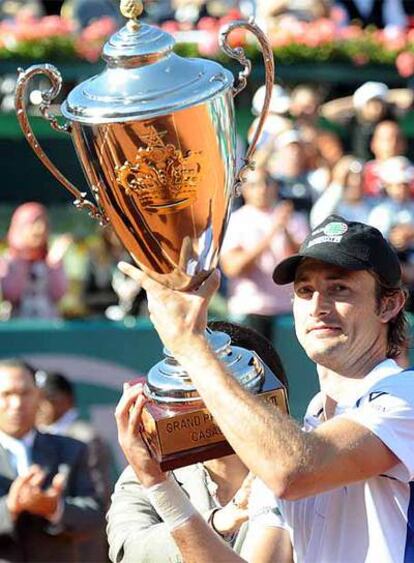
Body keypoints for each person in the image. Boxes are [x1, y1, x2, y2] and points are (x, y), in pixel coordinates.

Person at [116, 213, 413, 562]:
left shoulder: (404, 395)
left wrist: (189, 345)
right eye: (305, 291)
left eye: (339, 289)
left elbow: (293, 471)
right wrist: (157, 482)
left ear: (389, 304)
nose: (317, 306)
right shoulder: (303, 430)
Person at [107, 320, 287, 563]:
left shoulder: (294, 472)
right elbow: (130, 551)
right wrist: (218, 521)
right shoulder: (147, 473)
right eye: (189, 391)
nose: (210, 407)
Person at [0, 359, 104, 562]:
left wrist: (55, 508)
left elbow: (96, 515)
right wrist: (10, 506)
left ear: (39, 396)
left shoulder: (72, 449)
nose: (17, 404)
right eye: (6, 395)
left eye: (25, 393)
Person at [220, 167, 309, 340]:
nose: (262, 189)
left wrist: (285, 231)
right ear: (244, 190)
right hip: (250, 310)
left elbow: (305, 264)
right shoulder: (236, 221)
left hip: (288, 309)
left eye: (267, 183)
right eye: (254, 184)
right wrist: (271, 234)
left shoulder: (293, 218)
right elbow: (233, 268)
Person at [35, 370, 113, 561]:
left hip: (81, 550)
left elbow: (99, 504)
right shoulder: (33, 438)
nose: (41, 405)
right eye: (38, 397)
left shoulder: (86, 438)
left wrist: (55, 508)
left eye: (49, 398)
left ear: (68, 400)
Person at [0, 202, 70, 319]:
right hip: (18, 329)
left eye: (43, 223)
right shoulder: (8, 260)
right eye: (33, 223)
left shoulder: (49, 259)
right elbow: (11, 294)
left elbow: (59, 294)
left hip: (48, 327)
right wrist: (21, 259)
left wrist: (54, 265)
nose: (40, 229)